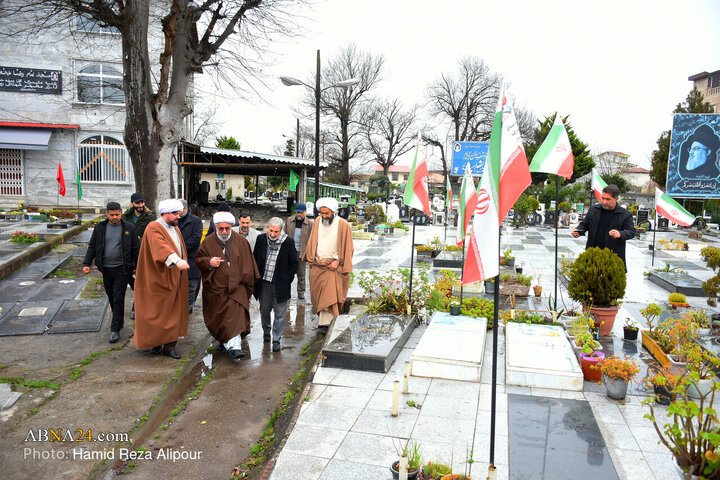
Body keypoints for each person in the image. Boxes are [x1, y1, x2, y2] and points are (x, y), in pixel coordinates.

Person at [196, 212, 259, 359]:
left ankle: (235, 347)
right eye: (221, 229)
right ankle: (224, 339)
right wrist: (209, 263)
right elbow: (199, 260)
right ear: (216, 227)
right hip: (216, 288)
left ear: (231, 227)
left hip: (237, 288)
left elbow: (249, 265)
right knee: (220, 318)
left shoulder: (241, 242)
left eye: (227, 228)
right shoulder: (208, 242)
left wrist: (240, 279)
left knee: (235, 316)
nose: (224, 232)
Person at [133, 199, 189, 359]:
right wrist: (177, 261)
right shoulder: (153, 228)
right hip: (158, 279)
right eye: (176, 214)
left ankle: (169, 346)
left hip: (175, 278)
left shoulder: (174, 227)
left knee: (174, 312)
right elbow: (161, 248)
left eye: (179, 213)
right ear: (165, 213)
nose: (179, 216)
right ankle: (157, 342)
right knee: (158, 312)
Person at [82, 202, 140, 343]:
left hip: (122, 268)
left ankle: (115, 329)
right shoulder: (100, 228)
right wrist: (87, 263)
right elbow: (93, 245)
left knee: (118, 296)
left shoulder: (128, 228)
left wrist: (137, 265)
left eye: (117, 214)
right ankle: (118, 321)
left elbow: (136, 248)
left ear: (121, 213)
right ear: (107, 214)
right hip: (106, 268)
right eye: (112, 215)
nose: (115, 217)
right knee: (111, 296)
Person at [303, 197, 353, 333]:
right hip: (318, 265)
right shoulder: (317, 221)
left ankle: (327, 324)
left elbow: (348, 247)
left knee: (329, 296)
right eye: (322, 213)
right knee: (318, 294)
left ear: (333, 212)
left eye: (327, 213)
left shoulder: (343, 225)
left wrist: (337, 260)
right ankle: (323, 322)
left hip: (333, 267)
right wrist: (313, 258)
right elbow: (313, 242)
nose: (324, 216)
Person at [253, 217, 298, 352]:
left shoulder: (288, 242)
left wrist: (287, 278)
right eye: (270, 230)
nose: (272, 234)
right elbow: (255, 259)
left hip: (280, 284)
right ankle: (266, 332)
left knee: (280, 314)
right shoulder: (261, 240)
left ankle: (276, 339)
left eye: (276, 232)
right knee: (264, 311)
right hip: (264, 284)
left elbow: (294, 263)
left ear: (281, 231)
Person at [572, 184, 635, 269]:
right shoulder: (593, 210)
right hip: (593, 253)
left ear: (616, 199)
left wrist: (620, 234)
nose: (604, 202)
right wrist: (578, 231)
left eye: (608, 199)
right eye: (603, 198)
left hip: (613, 257)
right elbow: (584, 225)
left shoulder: (625, 214)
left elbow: (631, 232)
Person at [178, 199, 203, 314]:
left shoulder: (196, 221)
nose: (177, 213)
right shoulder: (173, 221)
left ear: (186, 209)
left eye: (179, 210)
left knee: (189, 292)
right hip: (175, 263)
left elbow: (195, 239)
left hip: (191, 262)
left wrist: (179, 249)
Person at [284, 202, 313, 300]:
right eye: (297, 212)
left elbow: (311, 239)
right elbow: (284, 234)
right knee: (288, 272)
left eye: (301, 212)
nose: (299, 214)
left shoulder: (309, 224)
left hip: (302, 252)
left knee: (301, 274)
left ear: (305, 212)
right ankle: (286, 291)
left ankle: (301, 292)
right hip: (290, 251)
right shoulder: (289, 220)